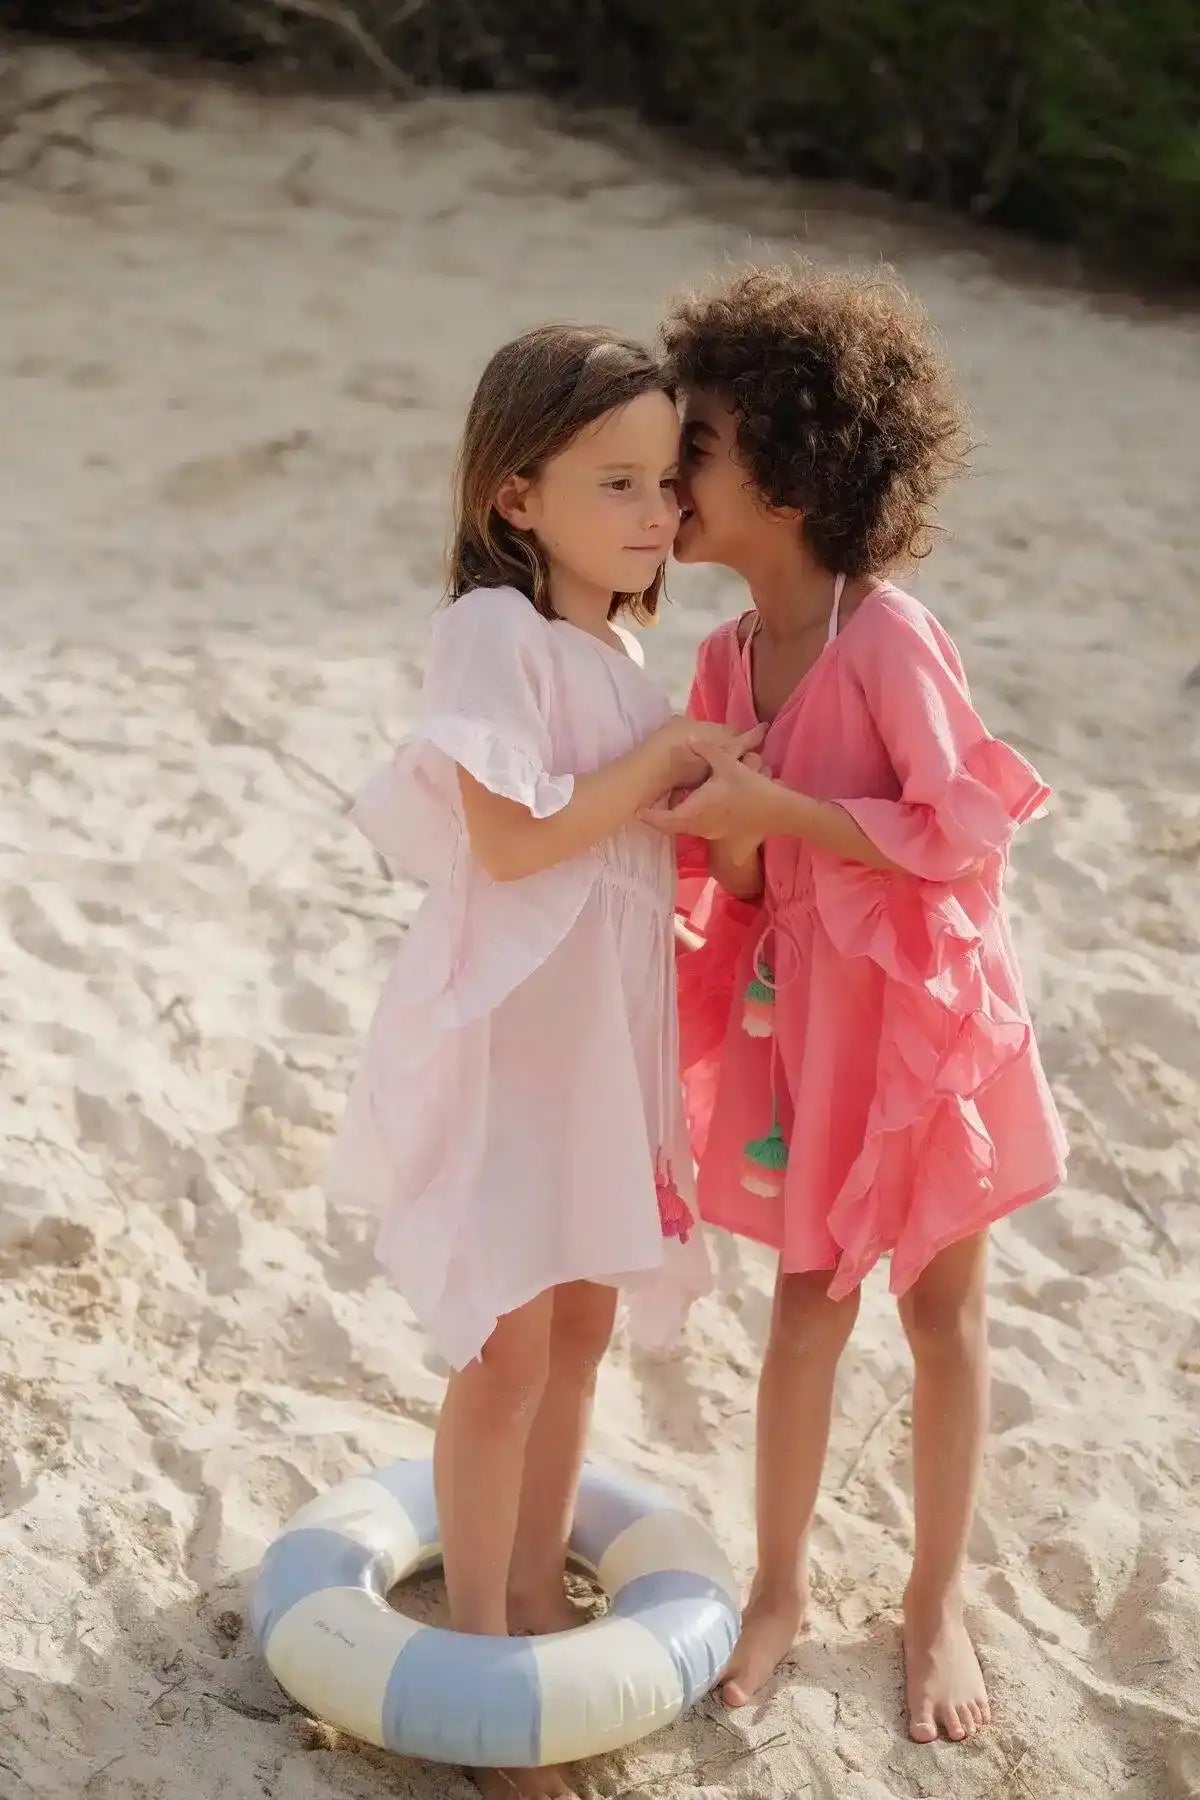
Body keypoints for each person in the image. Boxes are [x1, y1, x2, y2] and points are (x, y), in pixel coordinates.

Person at [329, 324, 760, 1800]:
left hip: (604, 1050)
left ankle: (527, 1593)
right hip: (517, 1048)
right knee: (509, 1346)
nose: (657, 512)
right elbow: (514, 842)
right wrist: (661, 761)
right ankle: (473, 1647)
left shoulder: (625, 653)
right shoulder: (493, 634)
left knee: (580, 1329)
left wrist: (710, 802)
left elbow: (626, 863)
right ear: (518, 495)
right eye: (616, 482)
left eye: (667, 481)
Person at [646, 266, 1069, 1745]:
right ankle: (778, 1587)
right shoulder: (722, 657)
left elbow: (963, 833)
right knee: (803, 1311)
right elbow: (739, 886)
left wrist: (785, 811)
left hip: (923, 1024)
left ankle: (933, 1597)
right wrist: (738, 829)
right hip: (811, 1032)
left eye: (698, 446)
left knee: (943, 1310)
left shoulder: (885, 637)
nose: (671, 475)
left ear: (794, 470)